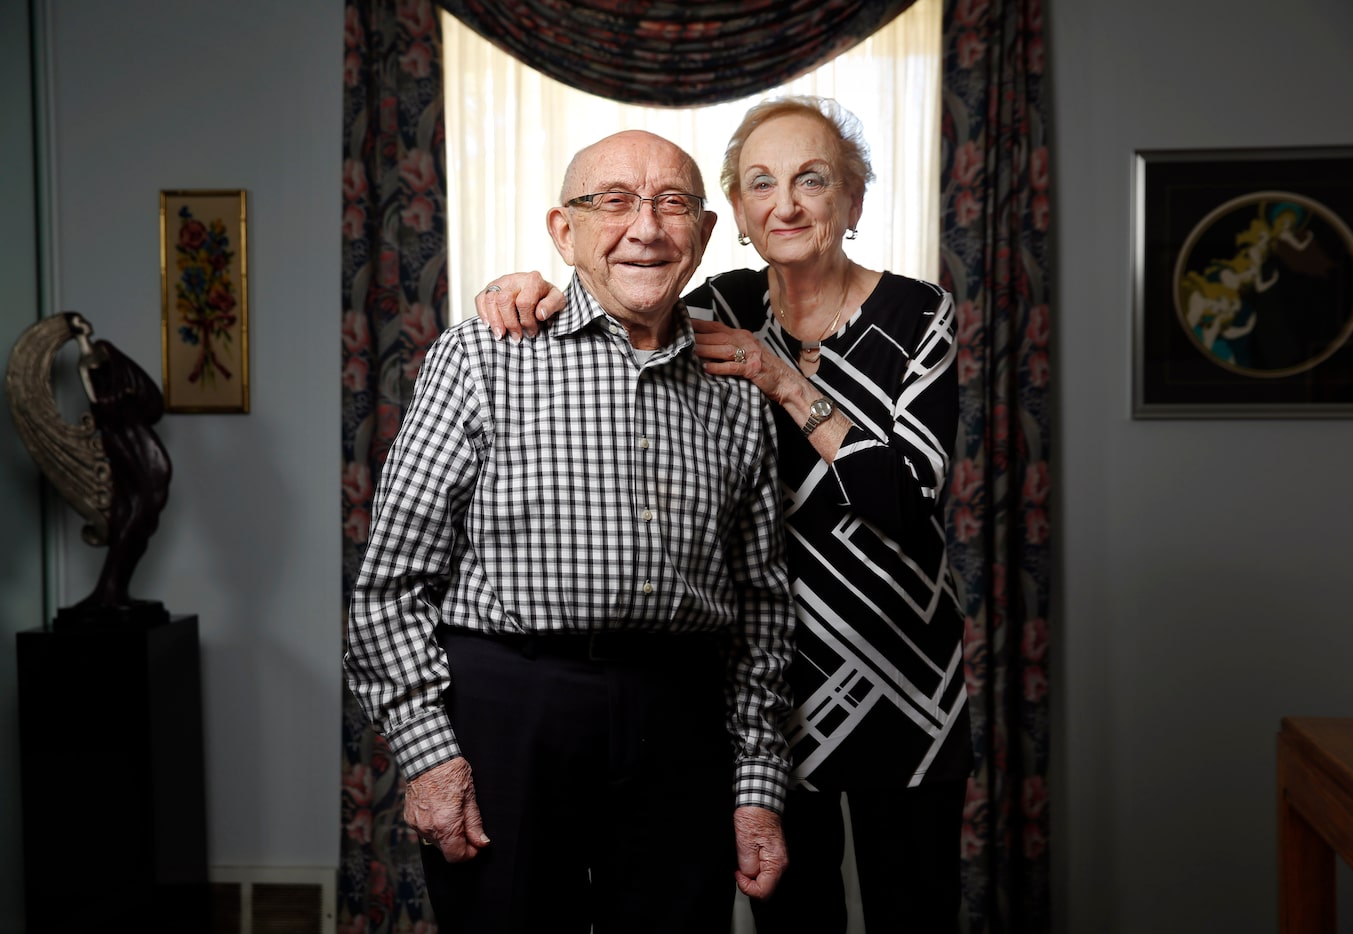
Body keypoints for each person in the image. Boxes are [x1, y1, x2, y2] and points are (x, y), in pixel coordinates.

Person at [478, 96, 973, 934]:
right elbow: (612, 301)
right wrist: (520, 289)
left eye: (811, 180)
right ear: (734, 216)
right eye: (760, 184)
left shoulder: (916, 314)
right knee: (788, 914)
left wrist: (779, 378)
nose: (785, 203)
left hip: (898, 679)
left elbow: (901, 499)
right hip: (758, 688)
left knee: (912, 910)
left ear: (851, 202)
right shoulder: (716, 302)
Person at [344, 129, 795, 934]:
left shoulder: (737, 388)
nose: (645, 228)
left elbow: (760, 609)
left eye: (671, 204)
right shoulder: (484, 353)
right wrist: (429, 755)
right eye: (614, 201)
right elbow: (391, 584)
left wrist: (756, 785)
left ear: (703, 233)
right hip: (510, 711)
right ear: (563, 230)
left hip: (679, 716)